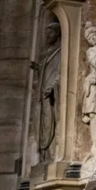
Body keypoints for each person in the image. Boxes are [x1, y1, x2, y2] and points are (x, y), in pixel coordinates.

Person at [37, 22, 61, 162]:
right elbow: (47, 70)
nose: (47, 36)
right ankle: (44, 156)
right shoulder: (48, 53)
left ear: (57, 33)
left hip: (50, 92)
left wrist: (52, 87)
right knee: (42, 123)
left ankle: (51, 155)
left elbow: (60, 72)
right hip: (43, 93)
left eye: (50, 33)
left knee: (50, 121)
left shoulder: (60, 51)